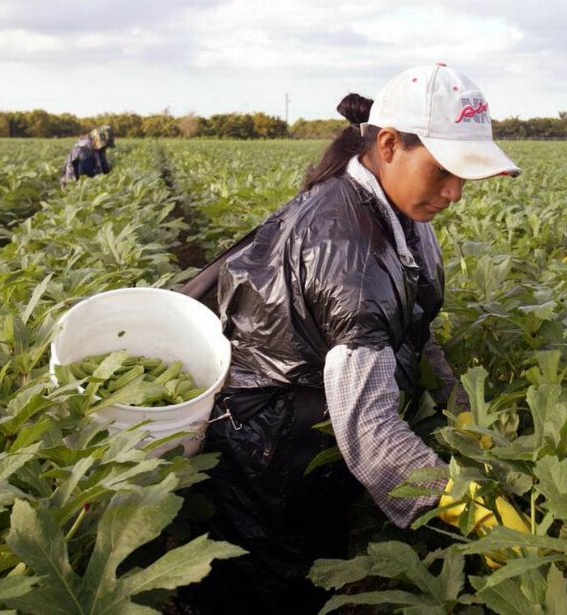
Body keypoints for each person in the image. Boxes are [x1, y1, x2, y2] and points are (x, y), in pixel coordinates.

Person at [185, 64, 527, 613]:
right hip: (272, 454)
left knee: (308, 560)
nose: (457, 193)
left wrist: (462, 410)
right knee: (271, 587)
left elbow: (416, 324)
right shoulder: (350, 252)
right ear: (389, 144)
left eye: (465, 175)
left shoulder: (398, 211)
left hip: (309, 431)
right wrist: (468, 508)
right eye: (445, 170)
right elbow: (368, 430)